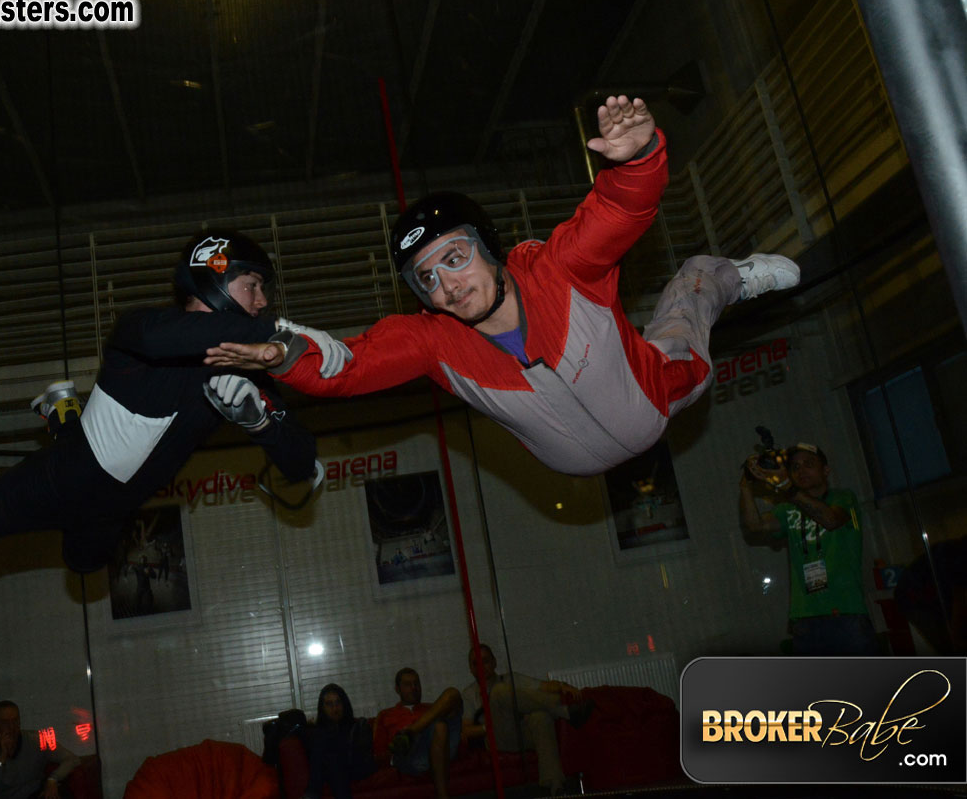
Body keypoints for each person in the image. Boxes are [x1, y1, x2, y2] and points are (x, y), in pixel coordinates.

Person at [204, 96, 801, 477]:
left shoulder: (561, 271)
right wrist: (282, 355)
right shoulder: (434, 343)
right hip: (570, 465)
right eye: (427, 279)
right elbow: (349, 366)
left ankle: (730, 275)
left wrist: (638, 158)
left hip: (655, 397)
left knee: (689, 302)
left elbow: (619, 212)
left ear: (490, 248)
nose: (448, 286)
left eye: (456, 258)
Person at [0, 231, 323, 573]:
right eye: (252, 286)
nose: (262, 302)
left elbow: (302, 463)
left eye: (265, 290)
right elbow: (181, 339)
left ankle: (64, 418)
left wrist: (259, 421)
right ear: (215, 282)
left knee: (85, 562)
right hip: (64, 479)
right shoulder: (143, 331)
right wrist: (287, 337)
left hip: (110, 504)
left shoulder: (248, 375)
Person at [739, 441, 876, 655]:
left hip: (845, 612)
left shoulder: (843, 498)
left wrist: (787, 486)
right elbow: (755, 525)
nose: (801, 470)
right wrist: (746, 487)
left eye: (808, 464)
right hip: (805, 618)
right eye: (795, 468)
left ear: (826, 470)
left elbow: (830, 520)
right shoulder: (787, 509)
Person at [461, 644, 592, 797]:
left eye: (485, 661)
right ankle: (565, 712)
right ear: (470, 669)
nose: (481, 667)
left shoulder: (512, 679)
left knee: (540, 717)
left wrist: (564, 686)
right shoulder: (469, 694)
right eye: (475, 664)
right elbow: (466, 731)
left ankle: (555, 787)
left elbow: (545, 686)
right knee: (499, 691)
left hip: (522, 733)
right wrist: (487, 727)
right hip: (497, 738)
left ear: (494, 662)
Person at [372, 668, 463, 799]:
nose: (414, 688)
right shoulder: (386, 715)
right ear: (397, 689)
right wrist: (395, 750)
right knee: (439, 726)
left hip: (440, 747)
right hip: (410, 756)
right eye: (408, 685)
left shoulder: (432, 709)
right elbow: (379, 753)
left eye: (416, 683)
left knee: (452, 694)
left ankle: (411, 731)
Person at [0, 701, 79, 799]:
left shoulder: (36, 740)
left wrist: (53, 779)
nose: (11, 727)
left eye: (15, 721)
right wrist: (2, 759)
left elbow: (72, 759)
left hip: (34, 794)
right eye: (5, 723)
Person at [301, 684, 377, 799]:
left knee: (332, 760)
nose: (335, 708)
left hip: (358, 765)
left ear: (344, 704)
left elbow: (362, 755)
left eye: (338, 703)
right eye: (329, 704)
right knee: (332, 761)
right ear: (322, 708)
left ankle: (312, 792)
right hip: (333, 768)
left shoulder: (357, 726)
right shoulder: (318, 732)